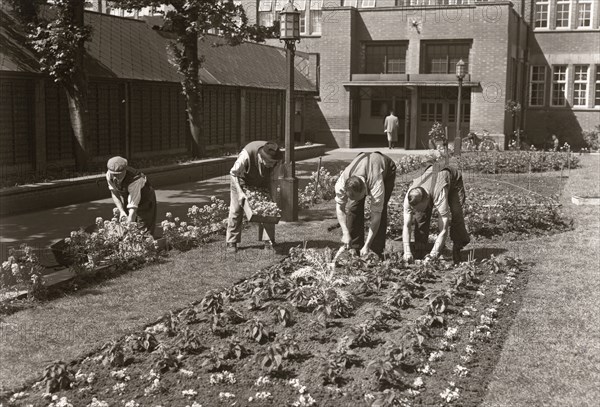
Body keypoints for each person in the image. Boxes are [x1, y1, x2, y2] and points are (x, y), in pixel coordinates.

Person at [402, 162, 470, 265]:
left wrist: (433, 255)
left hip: (452, 181)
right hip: (431, 174)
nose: (417, 210)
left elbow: (443, 229)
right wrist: (407, 251)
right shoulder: (410, 196)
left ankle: (457, 248)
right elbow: (406, 226)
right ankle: (421, 251)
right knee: (420, 217)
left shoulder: (439, 194)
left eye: (419, 208)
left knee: (457, 213)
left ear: (428, 200)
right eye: (415, 209)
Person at [335, 152, 396, 259]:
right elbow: (340, 207)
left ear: (365, 190)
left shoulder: (376, 184)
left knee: (380, 209)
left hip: (385, 168)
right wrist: (345, 232)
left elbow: (376, 216)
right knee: (353, 207)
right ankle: (354, 246)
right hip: (363, 162)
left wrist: (367, 245)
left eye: (360, 197)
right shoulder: (342, 182)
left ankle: (374, 250)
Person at [226, 141, 283, 252]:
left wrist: (273, 198)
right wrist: (240, 192)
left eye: (273, 163)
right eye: (270, 163)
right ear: (261, 158)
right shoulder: (246, 155)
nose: (272, 165)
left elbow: (274, 179)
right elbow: (233, 173)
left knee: (269, 209)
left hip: (262, 181)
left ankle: (268, 241)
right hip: (241, 180)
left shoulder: (276, 160)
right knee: (236, 210)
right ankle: (231, 242)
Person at [106, 156, 157, 236]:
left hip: (145, 199)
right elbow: (114, 193)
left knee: (143, 229)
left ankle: (146, 245)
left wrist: (129, 226)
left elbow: (133, 208)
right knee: (125, 221)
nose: (116, 177)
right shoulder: (109, 175)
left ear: (125, 170)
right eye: (114, 174)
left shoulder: (135, 180)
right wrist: (122, 211)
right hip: (129, 196)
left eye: (119, 174)